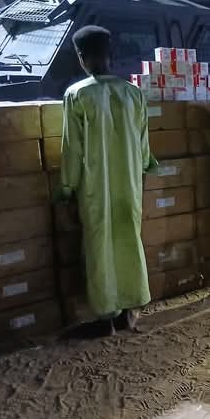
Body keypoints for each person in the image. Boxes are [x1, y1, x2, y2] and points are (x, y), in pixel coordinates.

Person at [59, 25, 156, 335]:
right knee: (129, 243)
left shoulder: (77, 95)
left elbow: (72, 150)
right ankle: (128, 312)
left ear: (81, 56)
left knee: (99, 248)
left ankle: (106, 318)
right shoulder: (133, 93)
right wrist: (141, 177)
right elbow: (144, 151)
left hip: (95, 188)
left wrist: (66, 191)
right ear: (109, 54)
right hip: (130, 185)